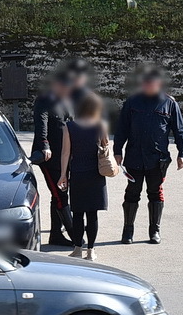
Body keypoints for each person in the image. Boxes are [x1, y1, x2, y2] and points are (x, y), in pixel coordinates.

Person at [113, 65, 183, 245]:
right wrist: (117, 151)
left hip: (157, 159)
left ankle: (154, 231)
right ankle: (128, 231)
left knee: (155, 194)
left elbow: (180, 131)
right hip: (134, 158)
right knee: (131, 194)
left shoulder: (169, 104)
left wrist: (182, 153)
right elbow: (122, 129)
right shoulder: (132, 102)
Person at [57, 91, 109, 261]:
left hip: (77, 173)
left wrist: (63, 175)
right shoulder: (100, 125)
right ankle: (91, 250)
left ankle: (78, 248)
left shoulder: (69, 126)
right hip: (95, 174)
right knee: (92, 214)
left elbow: (65, 153)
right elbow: (105, 146)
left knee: (78, 213)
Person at [31, 70, 75, 246]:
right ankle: (75, 235)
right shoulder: (44, 99)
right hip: (48, 157)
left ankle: (56, 233)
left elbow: (72, 124)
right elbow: (41, 122)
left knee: (59, 193)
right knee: (59, 195)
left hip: (65, 156)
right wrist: (44, 145)